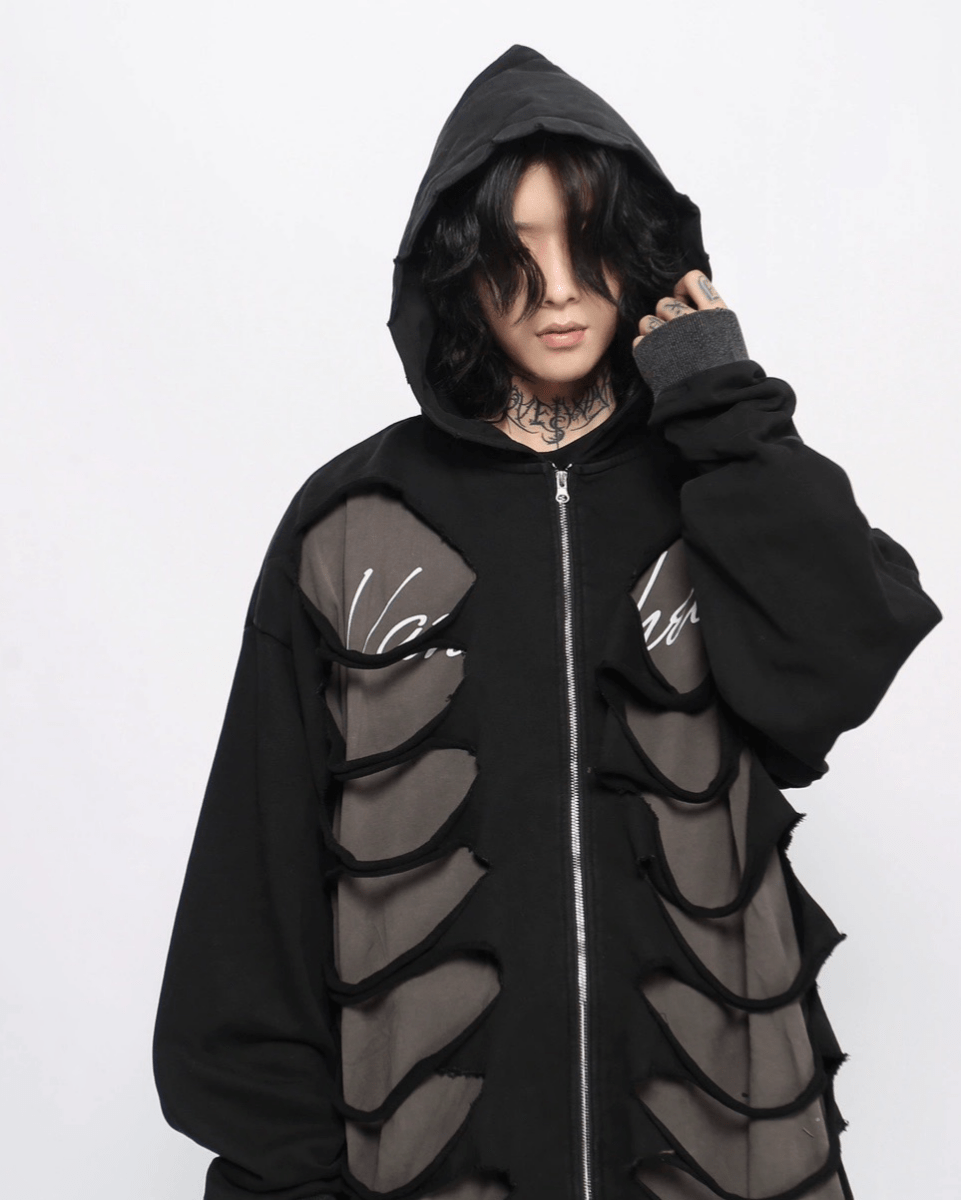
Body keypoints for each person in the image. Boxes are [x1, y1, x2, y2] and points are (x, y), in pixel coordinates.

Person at [152, 44, 942, 1200]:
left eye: (587, 242)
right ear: (456, 270)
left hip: (724, 1166)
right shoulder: (354, 522)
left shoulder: (715, 483)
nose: (560, 288)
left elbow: (836, 662)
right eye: (516, 254)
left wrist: (718, 402)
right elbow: (254, 882)